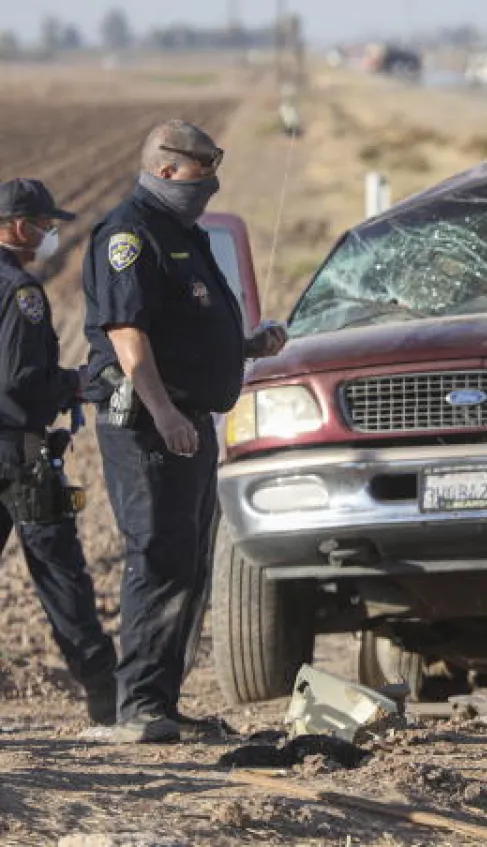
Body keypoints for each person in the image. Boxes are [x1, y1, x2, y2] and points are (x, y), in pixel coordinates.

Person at [81, 121, 288, 743]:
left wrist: (246, 346)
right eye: (203, 168)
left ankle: (161, 705)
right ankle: (138, 706)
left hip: (188, 427)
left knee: (187, 565)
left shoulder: (183, 235)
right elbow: (128, 337)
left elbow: (187, 328)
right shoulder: (131, 234)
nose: (212, 180)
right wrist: (166, 414)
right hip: (149, 427)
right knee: (159, 558)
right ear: (167, 169)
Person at [0, 178, 117, 724]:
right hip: (17, 458)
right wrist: (69, 384)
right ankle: (104, 693)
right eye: (45, 226)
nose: (49, 235)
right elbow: (21, 380)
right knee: (60, 573)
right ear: (19, 226)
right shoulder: (20, 291)